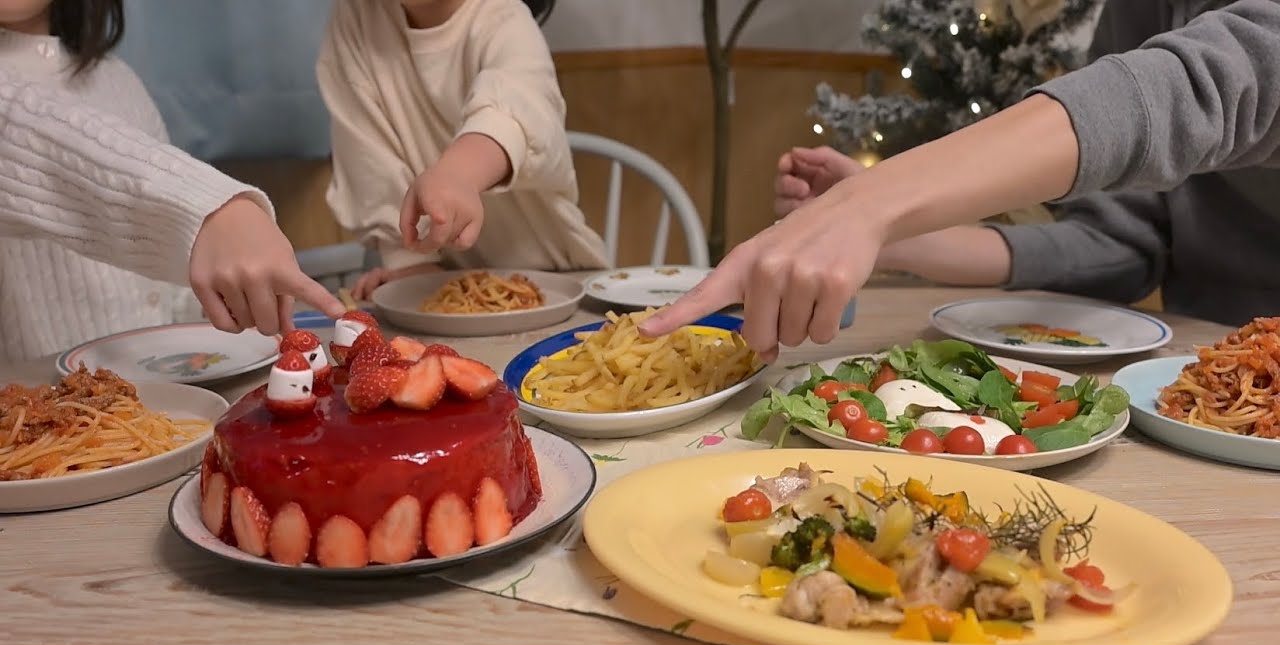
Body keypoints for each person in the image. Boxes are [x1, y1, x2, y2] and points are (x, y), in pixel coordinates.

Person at [640, 0, 1280, 361]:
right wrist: (895, 238)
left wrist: (873, 200)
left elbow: (1216, 83)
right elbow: (1125, 244)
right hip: (1207, 371)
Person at [0, 0, 343, 363]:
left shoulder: (116, 80)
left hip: (161, 401)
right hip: (40, 409)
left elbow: (170, 284)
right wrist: (207, 208)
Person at [316, 0, 608, 301]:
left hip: (557, 278)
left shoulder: (504, 16)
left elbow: (518, 104)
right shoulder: (357, 15)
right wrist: (410, 261)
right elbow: (366, 154)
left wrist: (458, 174)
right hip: (442, 278)